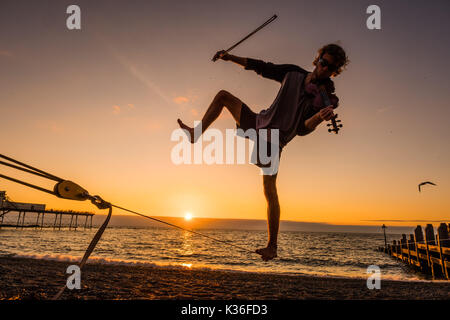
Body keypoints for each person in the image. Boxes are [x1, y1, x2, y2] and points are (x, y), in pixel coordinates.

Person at [177, 44, 349, 261]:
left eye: (331, 68)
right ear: (317, 59)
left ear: (335, 72)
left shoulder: (323, 99)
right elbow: (263, 68)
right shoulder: (293, 73)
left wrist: (318, 118)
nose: (325, 69)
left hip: (274, 140)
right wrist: (230, 57)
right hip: (260, 121)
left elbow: (303, 129)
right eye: (323, 63)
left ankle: (272, 246)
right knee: (222, 96)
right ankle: (196, 134)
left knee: (269, 191)